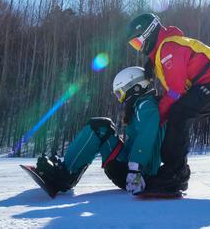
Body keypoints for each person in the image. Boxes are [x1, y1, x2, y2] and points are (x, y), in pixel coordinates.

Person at [125, 13, 210, 193]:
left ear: (148, 34)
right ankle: (175, 172)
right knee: (178, 115)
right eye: (134, 46)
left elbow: (175, 91)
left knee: (179, 114)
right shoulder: (165, 49)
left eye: (138, 43)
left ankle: (175, 174)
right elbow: (174, 89)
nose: (139, 49)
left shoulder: (168, 49)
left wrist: (159, 116)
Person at [31, 66, 164, 198]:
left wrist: (135, 170)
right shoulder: (143, 105)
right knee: (103, 126)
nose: (121, 99)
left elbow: (146, 136)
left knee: (100, 127)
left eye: (121, 93)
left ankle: (65, 174)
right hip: (134, 167)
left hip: (138, 172)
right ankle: (67, 169)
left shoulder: (145, 106)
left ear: (136, 87)